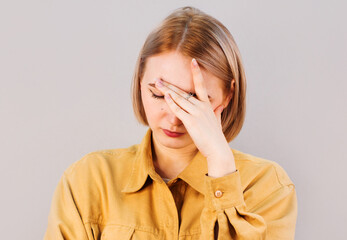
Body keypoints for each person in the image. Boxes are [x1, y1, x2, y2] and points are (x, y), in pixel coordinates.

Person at [44, 6, 297, 240]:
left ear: (228, 95)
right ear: (140, 82)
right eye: (158, 94)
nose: (174, 117)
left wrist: (220, 166)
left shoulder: (268, 187)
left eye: (194, 100)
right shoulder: (90, 179)